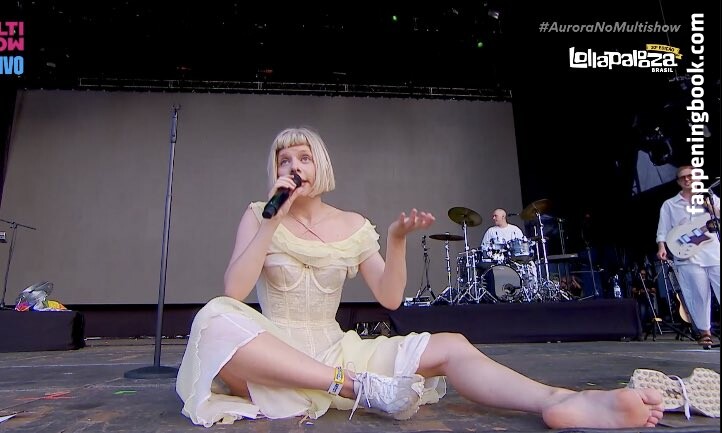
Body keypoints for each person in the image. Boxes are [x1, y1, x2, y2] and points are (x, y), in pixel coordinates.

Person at [176, 127, 663, 429]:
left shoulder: (353, 225)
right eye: (284, 160)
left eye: (303, 158)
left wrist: (395, 241)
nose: (293, 167)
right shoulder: (259, 214)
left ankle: (563, 401)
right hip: (273, 353)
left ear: (320, 166)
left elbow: (390, 298)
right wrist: (270, 222)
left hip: (335, 349)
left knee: (452, 345)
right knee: (214, 318)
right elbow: (235, 293)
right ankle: (352, 387)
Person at [656, 165, 721, 348]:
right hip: (687, 255)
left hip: (713, 252)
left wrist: (710, 208)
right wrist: (662, 246)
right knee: (697, 294)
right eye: (683, 177)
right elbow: (663, 228)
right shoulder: (670, 204)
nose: (687, 179)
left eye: (690, 176)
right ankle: (705, 332)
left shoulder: (709, 198)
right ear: (678, 182)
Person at [631, 269, 658, 335]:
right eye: (641, 274)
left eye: (644, 274)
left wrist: (649, 290)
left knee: (651, 314)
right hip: (641, 300)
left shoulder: (649, 281)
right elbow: (633, 290)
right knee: (642, 315)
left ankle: (653, 329)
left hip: (649, 299)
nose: (642, 275)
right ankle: (642, 329)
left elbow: (654, 290)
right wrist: (639, 291)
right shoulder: (637, 282)